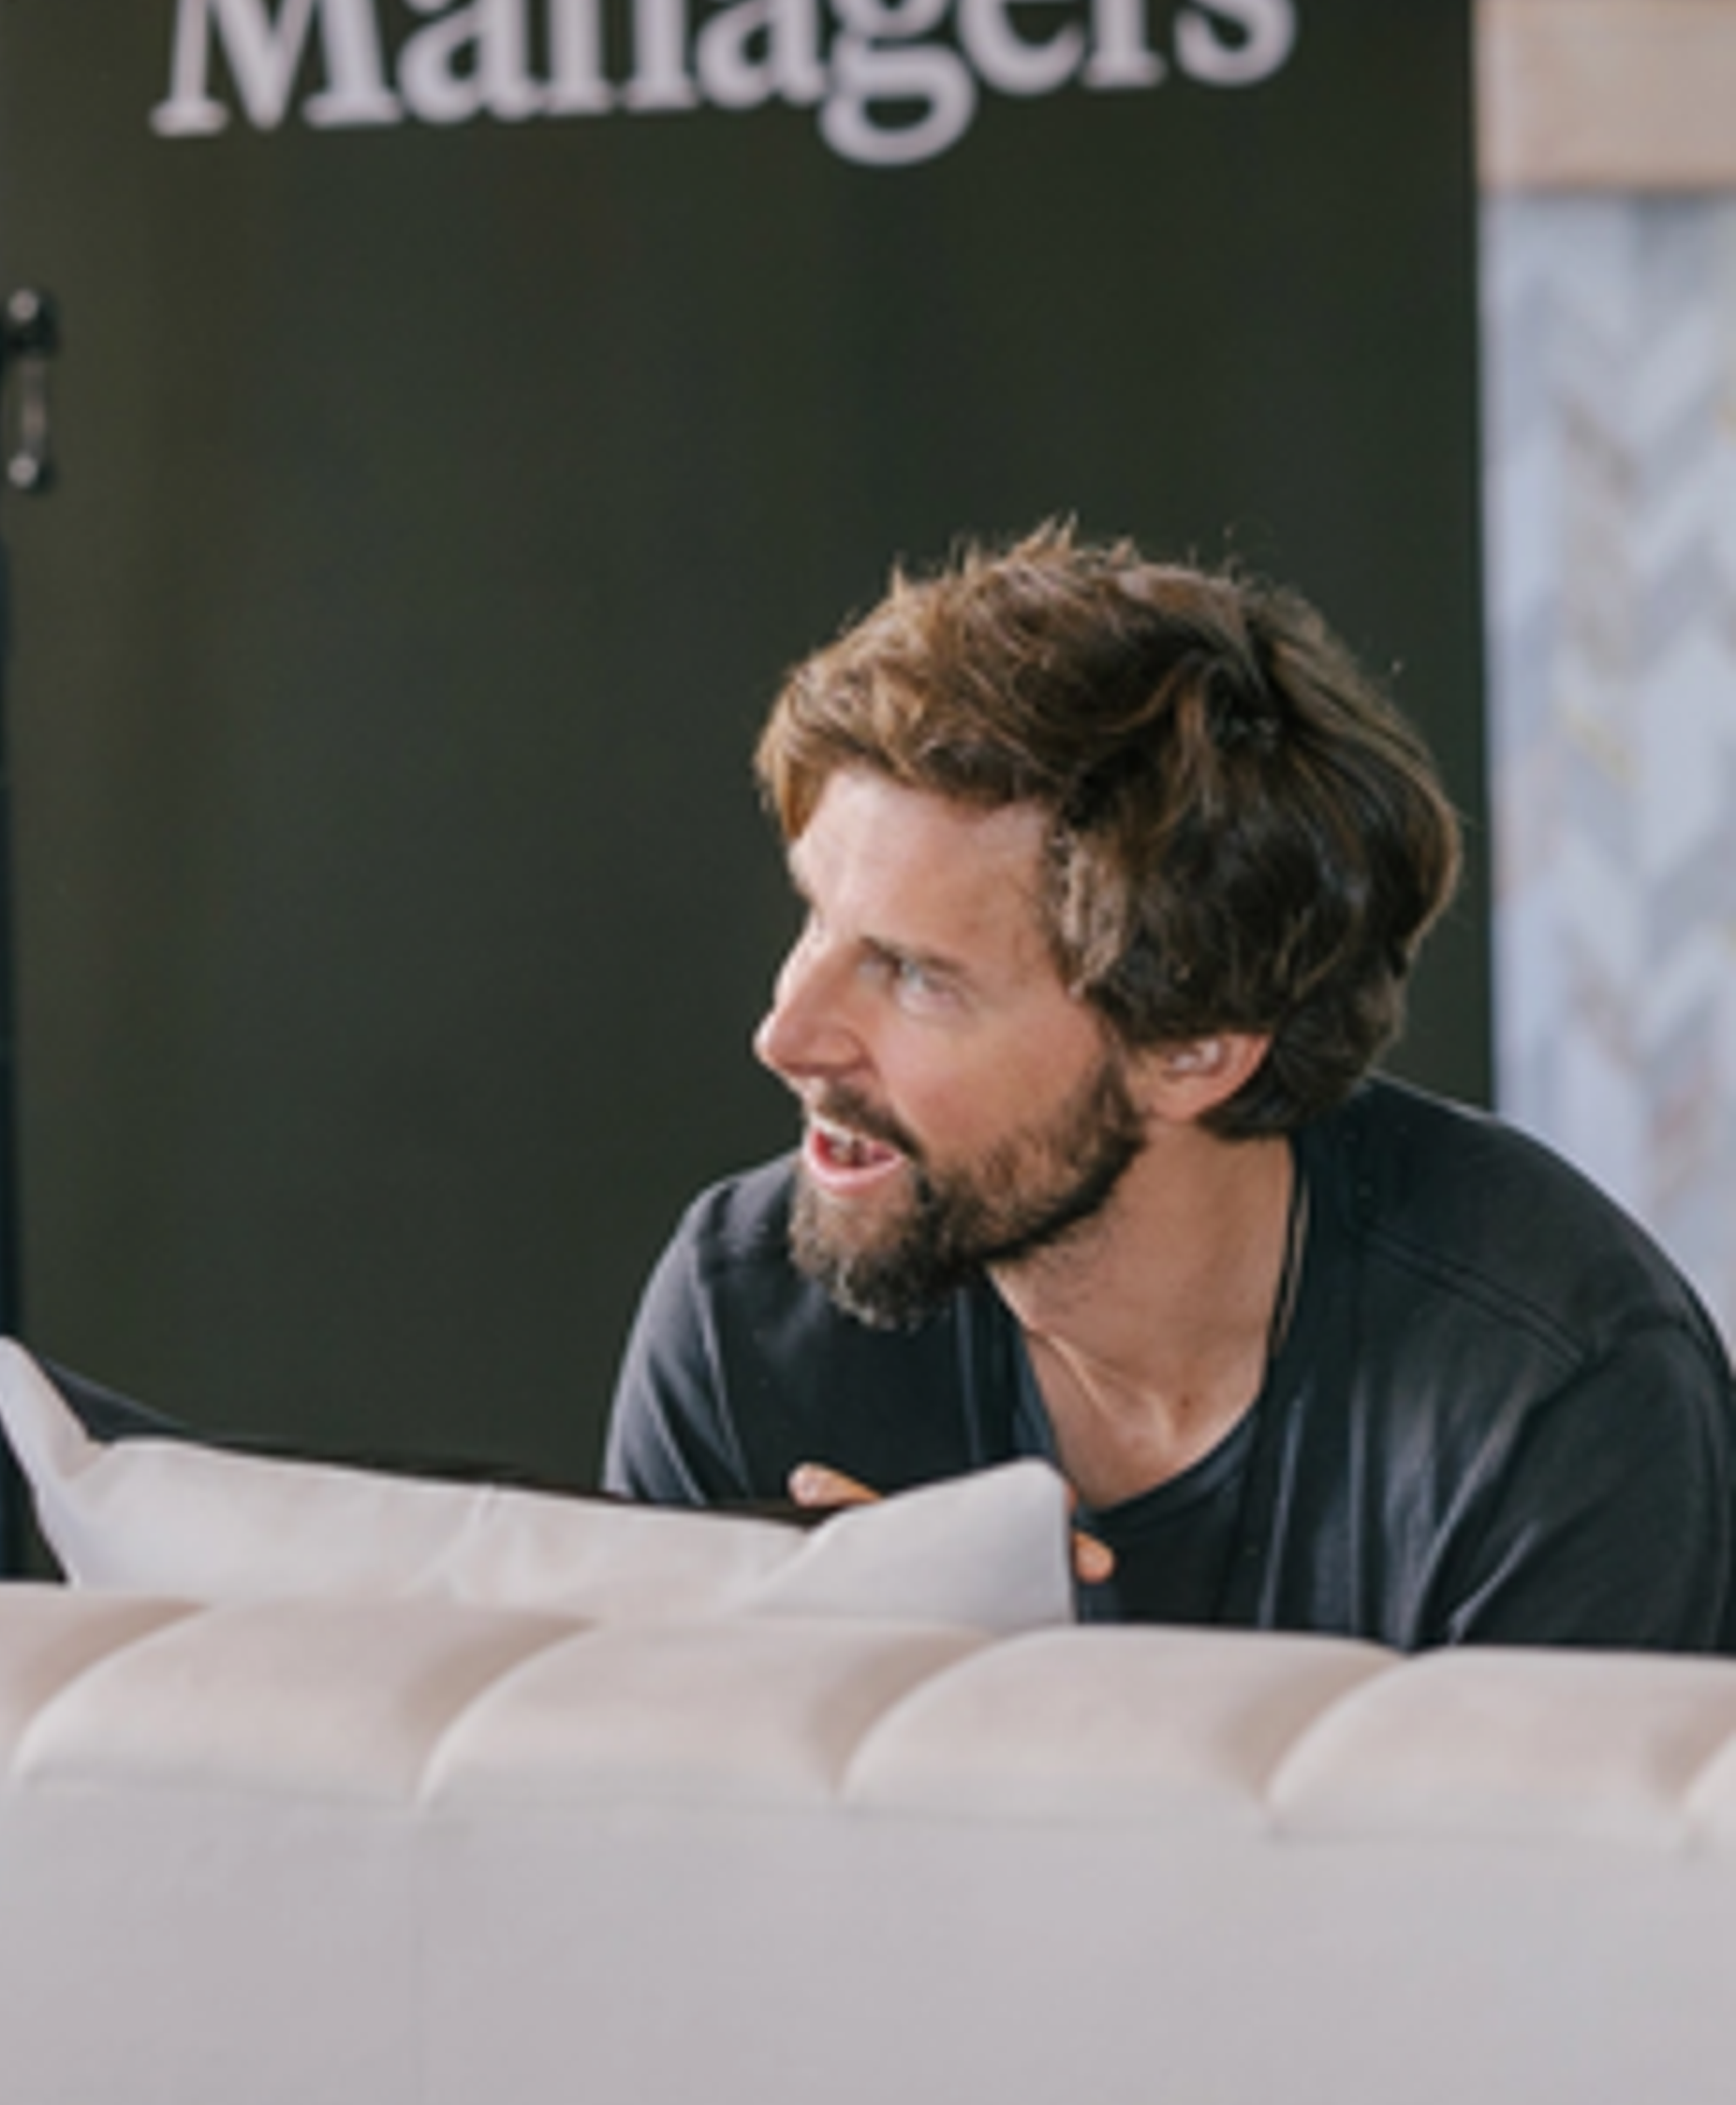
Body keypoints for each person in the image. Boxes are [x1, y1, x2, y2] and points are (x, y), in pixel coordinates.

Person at [606, 523, 1736, 1650]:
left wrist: (953, 1719)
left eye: (913, 975)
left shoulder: (1554, 1399)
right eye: (817, 917)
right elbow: (627, 1822)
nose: (786, 1032)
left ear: (1194, 1048)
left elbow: (1503, 1841)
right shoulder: (743, 1317)